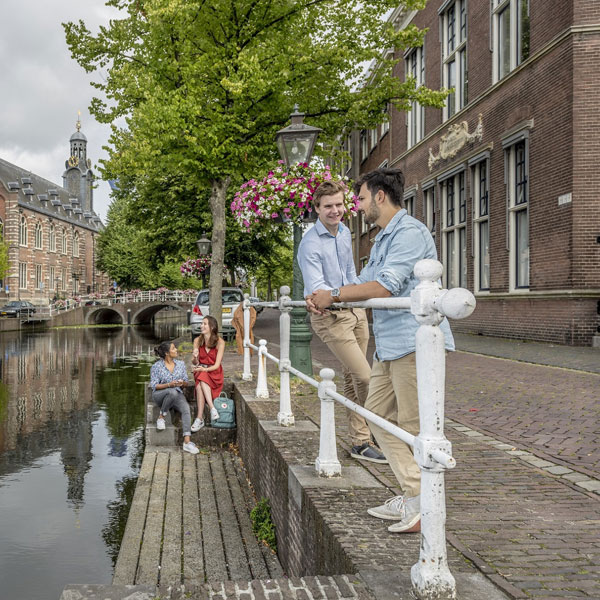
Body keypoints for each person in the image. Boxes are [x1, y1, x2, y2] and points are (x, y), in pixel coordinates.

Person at [309, 168, 455, 533]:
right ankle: (414, 494)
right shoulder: (382, 238)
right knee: (375, 416)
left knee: (412, 424)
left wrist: (336, 295)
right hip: (389, 346)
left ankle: (423, 503)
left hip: (412, 342)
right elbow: (362, 281)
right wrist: (323, 297)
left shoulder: (409, 233)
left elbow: (386, 287)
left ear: (378, 196)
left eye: (358, 199)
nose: (354, 207)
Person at [298, 179, 386, 464]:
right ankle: (385, 433)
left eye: (339, 205)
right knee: (365, 376)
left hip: (355, 310)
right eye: (328, 206)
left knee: (351, 376)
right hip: (331, 316)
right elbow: (318, 287)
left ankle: (360, 442)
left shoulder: (345, 232)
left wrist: (359, 295)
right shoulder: (309, 244)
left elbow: (350, 271)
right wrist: (331, 297)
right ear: (317, 209)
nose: (335, 211)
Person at [150, 341, 199, 455]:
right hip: (160, 395)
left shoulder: (181, 364)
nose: (176, 349)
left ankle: (187, 442)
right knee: (172, 392)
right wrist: (169, 385)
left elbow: (186, 382)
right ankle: (161, 417)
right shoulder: (156, 366)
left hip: (177, 393)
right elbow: (154, 385)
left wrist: (182, 383)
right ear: (167, 353)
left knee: (186, 409)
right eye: (173, 348)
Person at [191, 315, 225, 431]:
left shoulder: (220, 342)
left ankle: (199, 418)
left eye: (204, 324)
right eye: (201, 324)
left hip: (214, 373)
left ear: (212, 327)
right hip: (201, 371)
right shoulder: (197, 341)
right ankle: (212, 409)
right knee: (200, 376)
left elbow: (216, 365)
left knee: (200, 384)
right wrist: (195, 357)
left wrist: (204, 369)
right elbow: (195, 363)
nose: (201, 326)